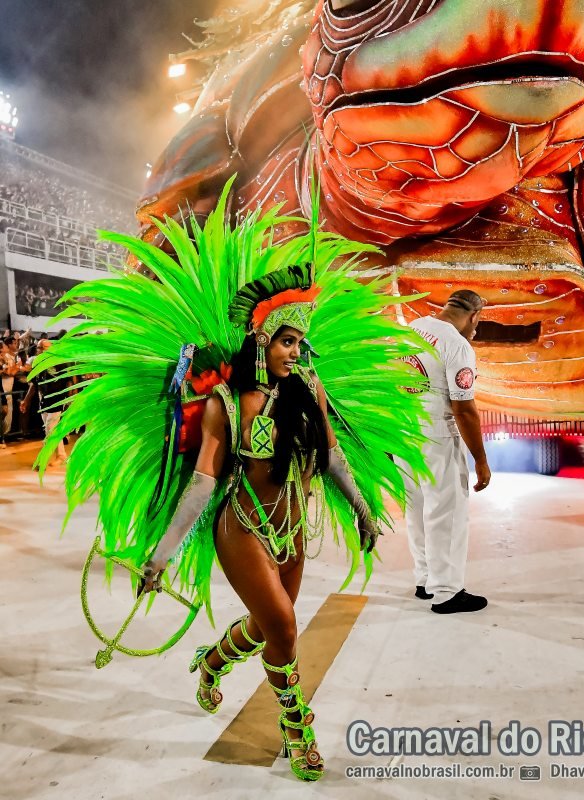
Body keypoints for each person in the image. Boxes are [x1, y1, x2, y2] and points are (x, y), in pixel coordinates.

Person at [31, 184, 431, 783]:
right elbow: (201, 485)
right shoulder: (225, 402)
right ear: (260, 340)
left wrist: (363, 510)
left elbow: (335, 459)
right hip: (241, 530)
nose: (296, 352)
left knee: (275, 628)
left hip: (293, 529)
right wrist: (159, 556)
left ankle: (213, 659)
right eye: (287, 341)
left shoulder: (308, 390)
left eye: (300, 342)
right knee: (287, 628)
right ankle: (296, 732)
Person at [402, 289, 492, 614]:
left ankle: (425, 580)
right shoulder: (457, 345)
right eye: (477, 325)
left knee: (417, 509)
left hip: (402, 432)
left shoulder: (411, 329)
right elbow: (464, 410)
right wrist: (480, 460)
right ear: (474, 316)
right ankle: (447, 592)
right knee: (446, 512)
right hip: (435, 434)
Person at [20, 339, 71, 465]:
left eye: (42, 347)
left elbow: (69, 381)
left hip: (56, 400)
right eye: (39, 348)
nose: (39, 350)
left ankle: (44, 458)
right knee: (52, 430)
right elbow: (34, 385)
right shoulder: (38, 364)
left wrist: (71, 400)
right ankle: (61, 455)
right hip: (43, 400)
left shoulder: (59, 362)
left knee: (50, 428)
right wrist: (26, 401)